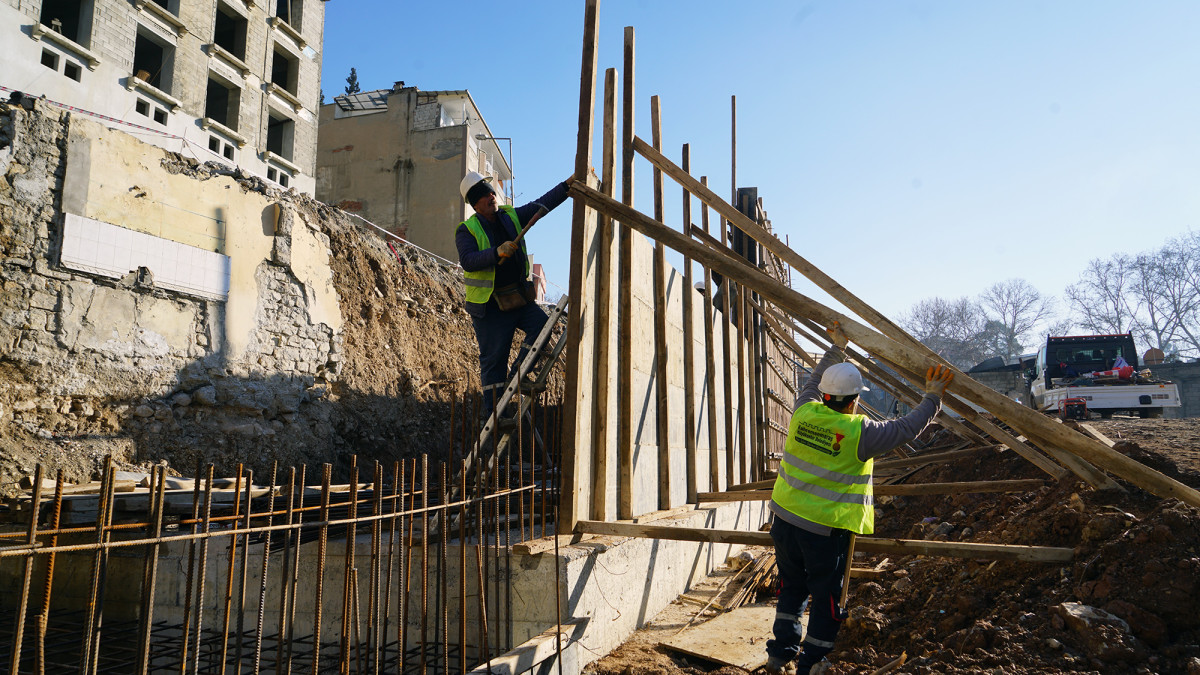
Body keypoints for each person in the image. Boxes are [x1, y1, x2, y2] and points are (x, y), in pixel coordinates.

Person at [765, 321, 954, 675]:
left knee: (792, 588)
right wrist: (933, 396)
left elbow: (813, 379)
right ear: (856, 400)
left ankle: (779, 655)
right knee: (826, 599)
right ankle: (811, 664)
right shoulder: (859, 433)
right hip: (823, 532)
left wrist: (837, 348)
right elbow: (907, 428)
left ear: (824, 396)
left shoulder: (803, 411)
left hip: (784, 521)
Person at [455, 170, 572, 417]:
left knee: (542, 326)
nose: (491, 196)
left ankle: (518, 372)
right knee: (493, 361)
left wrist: (567, 186)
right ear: (475, 204)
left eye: (490, 191)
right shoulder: (467, 230)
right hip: (490, 309)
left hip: (517, 298)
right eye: (483, 195)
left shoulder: (510, 217)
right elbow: (468, 260)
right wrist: (497, 252)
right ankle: (494, 413)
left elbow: (541, 205)